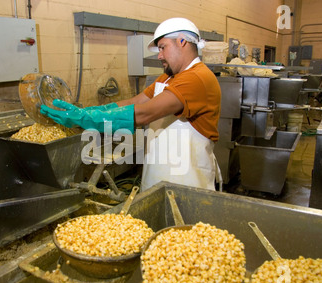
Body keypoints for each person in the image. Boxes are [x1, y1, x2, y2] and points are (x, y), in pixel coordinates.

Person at [40, 17, 222, 192]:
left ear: (182, 41)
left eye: (162, 47)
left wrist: (87, 120)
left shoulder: (197, 78)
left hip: (187, 181)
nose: (159, 56)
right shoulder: (169, 77)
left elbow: (145, 113)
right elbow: (134, 102)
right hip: (159, 175)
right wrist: (89, 111)